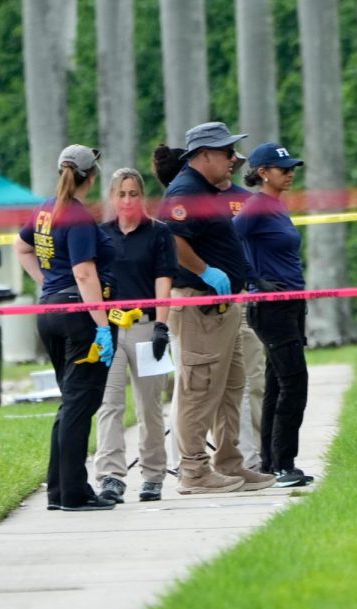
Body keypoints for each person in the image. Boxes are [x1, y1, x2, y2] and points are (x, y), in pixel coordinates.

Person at [159, 122, 274, 494]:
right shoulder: (185, 191)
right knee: (200, 387)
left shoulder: (207, 190)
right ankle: (194, 470)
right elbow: (172, 239)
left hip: (224, 308)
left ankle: (230, 463)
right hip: (200, 306)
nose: (233, 159)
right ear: (204, 155)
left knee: (230, 386)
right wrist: (205, 270)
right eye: (226, 152)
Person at [13, 145, 118, 511]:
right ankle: (73, 492)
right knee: (80, 403)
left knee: (70, 403)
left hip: (50, 312)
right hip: (78, 317)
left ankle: (60, 490)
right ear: (92, 176)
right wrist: (102, 325)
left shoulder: (44, 209)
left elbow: (21, 247)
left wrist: (47, 285)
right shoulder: (76, 215)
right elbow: (84, 272)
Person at [91, 168, 176, 504]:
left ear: (142, 197)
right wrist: (98, 328)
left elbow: (163, 280)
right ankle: (110, 476)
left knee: (149, 406)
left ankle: (153, 475)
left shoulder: (158, 234)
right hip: (110, 329)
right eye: (121, 194)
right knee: (109, 405)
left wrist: (162, 327)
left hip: (145, 326)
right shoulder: (101, 234)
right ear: (112, 197)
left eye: (134, 193)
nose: (127, 200)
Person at [235, 142, 313, 487]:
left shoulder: (276, 206)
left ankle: (271, 462)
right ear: (263, 173)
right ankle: (284, 464)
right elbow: (229, 242)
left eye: (292, 167)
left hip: (291, 304)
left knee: (278, 384)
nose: (291, 173)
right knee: (295, 383)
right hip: (271, 308)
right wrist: (255, 281)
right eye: (284, 169)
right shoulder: (256, 208)